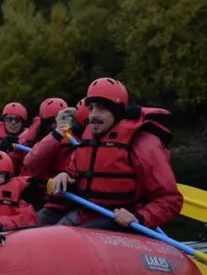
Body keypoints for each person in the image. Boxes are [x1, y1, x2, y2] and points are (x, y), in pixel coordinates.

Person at [47, 78, 183, 230]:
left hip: (124, 222)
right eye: (91, 108)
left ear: (116, 110)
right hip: (86, 215)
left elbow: (170, 200)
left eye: (101, 108)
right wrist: (65, 175)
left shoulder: (143, 142)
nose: (93, 115)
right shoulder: (89, 134)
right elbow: (74, 170)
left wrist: (139, 218)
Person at [0, 102, 29, 174]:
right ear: (4, 121)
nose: (13, 122)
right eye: (9, 119)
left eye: (17, 119)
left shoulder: (29, 139)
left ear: (23, 122)